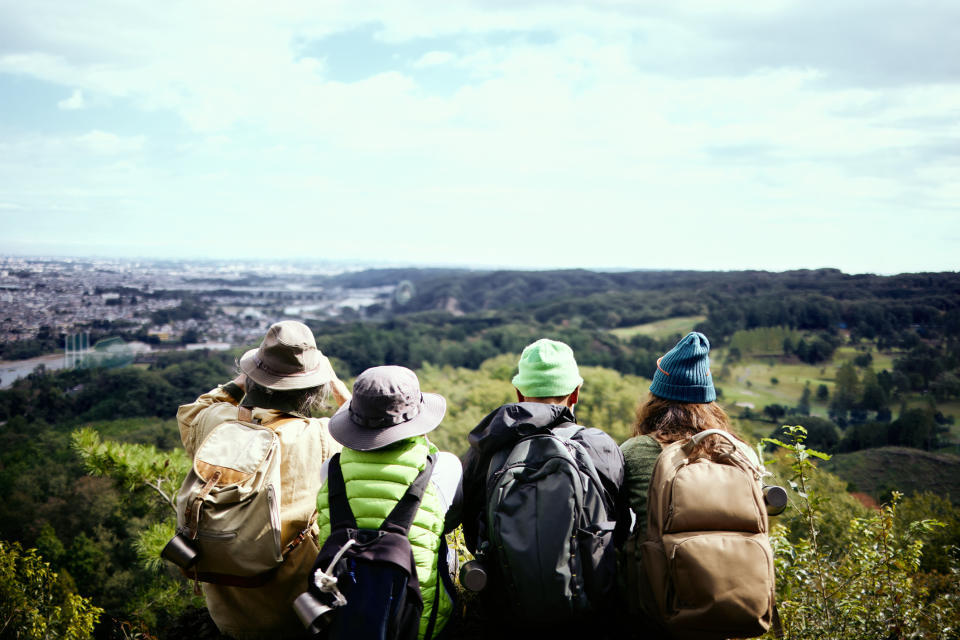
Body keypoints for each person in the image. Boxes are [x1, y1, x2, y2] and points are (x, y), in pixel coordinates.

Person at [176, 320, 351, 640]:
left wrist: (247, 378)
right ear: (312, 388)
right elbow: (363, 430)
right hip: (295, 610)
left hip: (227, 612)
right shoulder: (321, 438)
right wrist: (337, 385)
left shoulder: (215, 423)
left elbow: (195, 410)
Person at [460, 338, 628, 638]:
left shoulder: (484, 451)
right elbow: (621, 528)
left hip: (504, 615)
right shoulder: (599, 446)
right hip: (590, 616)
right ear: (575, 393)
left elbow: (473, 533)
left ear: (519, 394)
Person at [314, 365, 462, 640]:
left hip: (343, 621)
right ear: (417, 419)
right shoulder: (444, 467)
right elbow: (450, 522)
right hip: (418, 626)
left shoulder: (330, 471)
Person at [620, 330, 759, 540]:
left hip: (655, 570)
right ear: (709, 401)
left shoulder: (634, 451)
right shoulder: (741, 453)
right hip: (737, 571)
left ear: (655, 398)